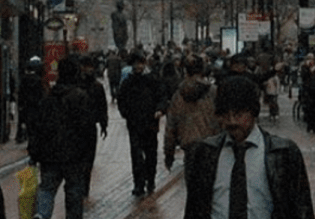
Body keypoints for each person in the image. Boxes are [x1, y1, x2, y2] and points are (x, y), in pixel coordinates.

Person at [180, 76, 315, 219]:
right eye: (226, 115)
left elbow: (303, 217)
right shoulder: (204, 154)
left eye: (238, 114)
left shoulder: (283, 154)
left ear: (253, 112)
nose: (232, 122)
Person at [28, 56, 89, 219]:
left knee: (47, 188)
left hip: (49, 154)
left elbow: (38, 127)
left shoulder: (49, 97)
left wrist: (34, 152)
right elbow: (86, 128)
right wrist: (86, 154)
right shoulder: (80, 97)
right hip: (73, 155)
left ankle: (41, 216)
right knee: (74, 192)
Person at [117, 50, 166, 197]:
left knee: (151, 154)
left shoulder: (152, 80)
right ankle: (138, 184)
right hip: (135, 124)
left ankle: (150, 180)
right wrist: (126, 114)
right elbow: (121, 100)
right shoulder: (127, 83)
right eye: (136, 63)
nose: (138, 66)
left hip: (150, 123)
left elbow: (162, 97)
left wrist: (160, 110)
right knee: (136, 155)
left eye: (140, 63)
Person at [164, 54, 220, 172]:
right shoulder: (213, 92)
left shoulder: (178, 95)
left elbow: (171, 126)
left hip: (189, 146)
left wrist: (169, 152)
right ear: (202, 70)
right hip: (212, 145)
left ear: (185, 71)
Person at [78, 54, 108, 197]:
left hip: (90, 126)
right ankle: (79, 186)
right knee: (79, 158)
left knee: (89, 158)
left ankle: (84, 186)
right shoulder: (76, 85)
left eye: (90, 67)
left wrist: (104, 124)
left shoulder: (97, 86)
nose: (88, 69)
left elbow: (102, 107)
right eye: (86, 66)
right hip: (77, 127)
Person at [16, 57, 46, 145]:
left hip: (26, 106)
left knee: (26, 124)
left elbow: (21, 93)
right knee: (35, 125)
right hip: (36, 106)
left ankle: (24, 137)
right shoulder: (39, 80)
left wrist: (20, 105)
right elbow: (41, 94)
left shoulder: (24, 80)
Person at [300, 53, 315, 135]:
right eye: (309, 59)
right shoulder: (304, 68)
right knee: (308, 109)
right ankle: (309, 125)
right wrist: (308, 69)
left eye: (312, 59)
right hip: (308, 92)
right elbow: (303, 78)